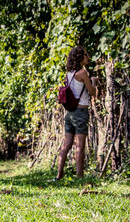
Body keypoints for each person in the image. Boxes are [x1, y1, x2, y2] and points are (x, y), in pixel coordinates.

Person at [54, 45, 99, 181]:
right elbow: (92, 92)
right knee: (80, 146)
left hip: (69, 113)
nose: (88, 57)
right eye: (85, 55)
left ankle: (59, 175)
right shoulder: (83, 73)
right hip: (80, 111)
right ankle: (79, 177)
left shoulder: (70, 73)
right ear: (80, 57)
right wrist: (93, 82)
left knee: (66, 144)